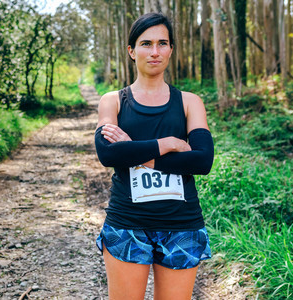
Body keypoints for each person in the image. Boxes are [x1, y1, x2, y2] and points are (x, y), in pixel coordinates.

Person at [94, 12, 214, 300]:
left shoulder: (189, 102)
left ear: (171, 49)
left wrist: (136, 152)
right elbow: (108, 153)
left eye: (163, 43)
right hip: (127, 223)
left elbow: (202, 161)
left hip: (181, 225)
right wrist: (167, 143)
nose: (155, 51)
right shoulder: (113, 101)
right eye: (146, 44)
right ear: (132, 51)